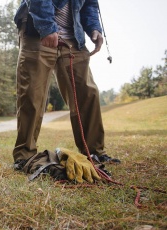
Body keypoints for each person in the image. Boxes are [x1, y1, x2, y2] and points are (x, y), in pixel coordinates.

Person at [12, 0, 120, 171]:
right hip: (37, 31)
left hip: (73, 39)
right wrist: (47, 26)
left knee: (88, 93)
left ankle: (94, 152)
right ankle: (24, 156)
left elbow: (90, 4)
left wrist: (95, 29)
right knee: (33, 94)